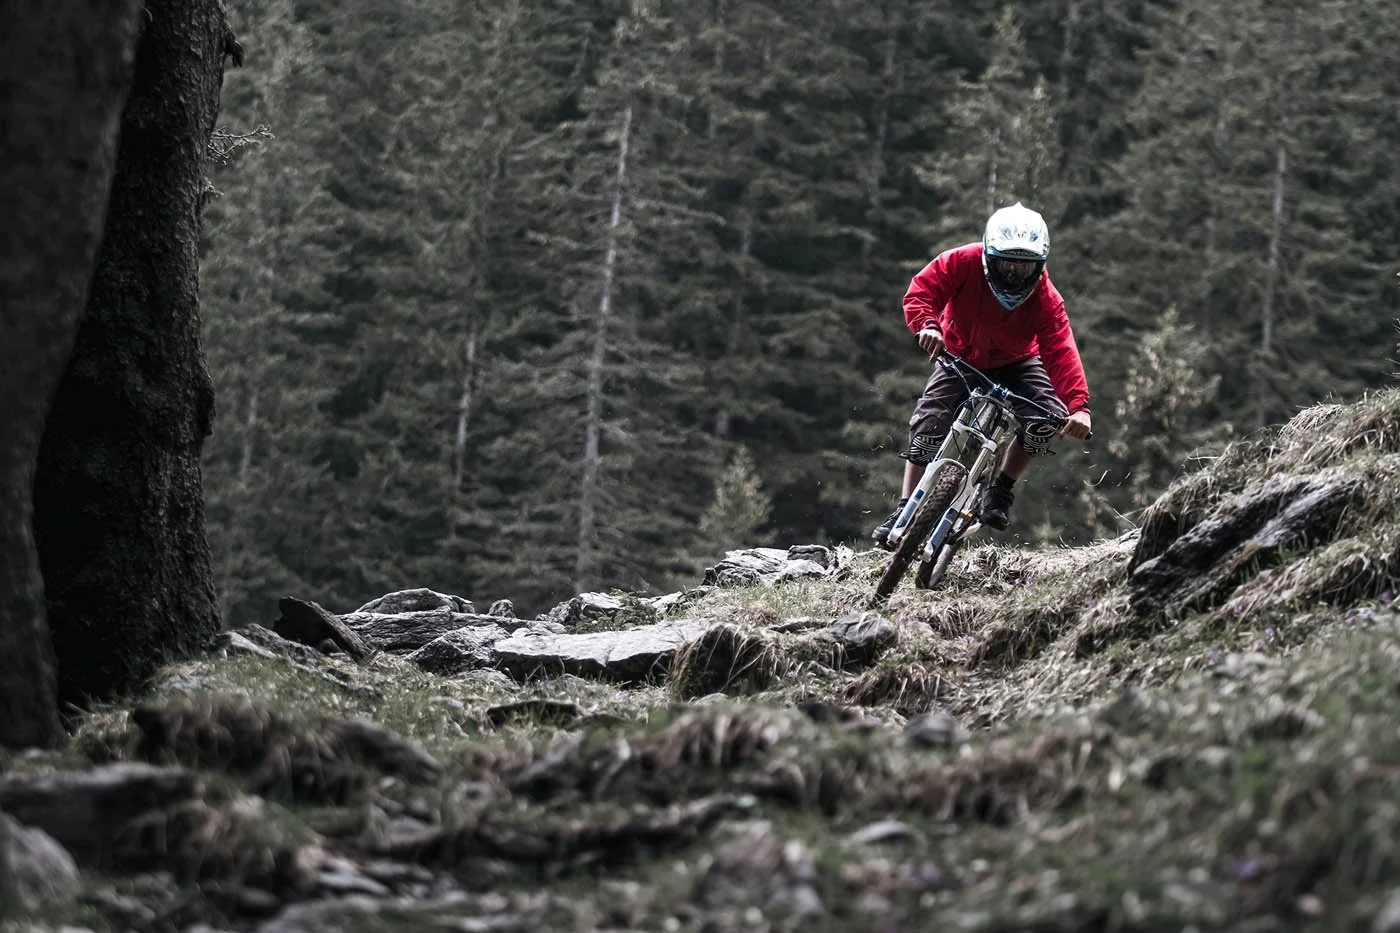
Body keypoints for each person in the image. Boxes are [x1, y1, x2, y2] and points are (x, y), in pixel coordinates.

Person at [872, 202, 1092, 547]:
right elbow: (922, 292)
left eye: (1024, 266)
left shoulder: (1046, 298)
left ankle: (1001, 489)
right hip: (960, 354)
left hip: (1019, 362)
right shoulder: (961, 261)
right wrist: (927, 325)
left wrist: (1078, 407)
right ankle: (905, 507)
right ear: (989, 255)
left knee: (1044, 421)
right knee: (928, 425)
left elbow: (1061, 351)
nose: (1014, 275)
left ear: (1040, 265)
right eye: (1007, 264)